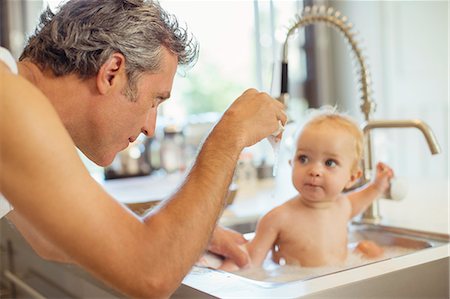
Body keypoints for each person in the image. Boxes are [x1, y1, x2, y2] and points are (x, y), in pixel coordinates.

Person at [0, 0, 286, 298]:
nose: (151, 127)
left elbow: (51, 238)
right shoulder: (10, 100)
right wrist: (230, 135)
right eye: (154, 101)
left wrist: (185, 236)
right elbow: (150, 272)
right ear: (112, 72)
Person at [219, 108, 393, 271]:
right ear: (291, 164)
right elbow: (249, 262)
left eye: (329, 163)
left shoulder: (343, 206)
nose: (314, 171)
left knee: (370, 248)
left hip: (340, 284)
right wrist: (221, 278)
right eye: (303, 159)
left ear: (352, 178)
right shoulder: (278, 218)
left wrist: (378, 185)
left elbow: (364, 197)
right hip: (300, 289)